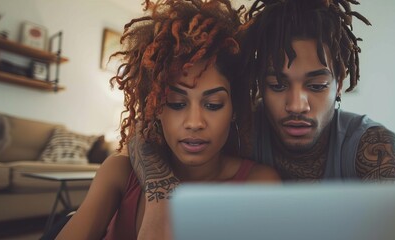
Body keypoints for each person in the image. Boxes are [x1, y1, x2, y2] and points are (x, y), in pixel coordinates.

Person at [55, 0, 280, 239]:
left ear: (235, 108)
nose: (194, 122)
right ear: (155, 107)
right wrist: (160, 201)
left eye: (213, 105)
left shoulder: (259, 184)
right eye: (176, 103)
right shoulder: (119, 173)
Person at [130, 0, 395, 186]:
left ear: (339, 84)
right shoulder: (242, 129)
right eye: (277, 85)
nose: (296, 105)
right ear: (258, 84)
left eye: (316, 86)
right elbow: (143, 133)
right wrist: (160, 199)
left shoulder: (376, 149)